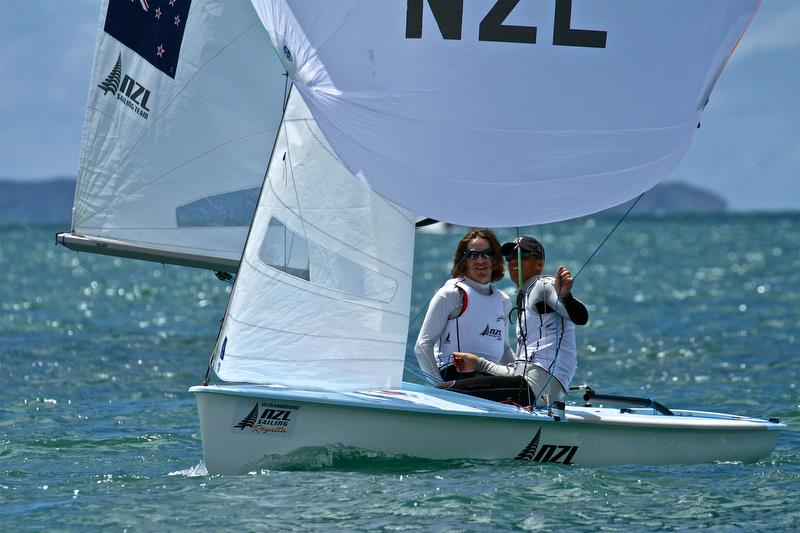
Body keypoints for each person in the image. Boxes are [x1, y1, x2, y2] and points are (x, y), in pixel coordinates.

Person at [444, 236, 588, 407]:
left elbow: (581, 317)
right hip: (527, 384)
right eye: (510, 257)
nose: (514, 261)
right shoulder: (525, 297)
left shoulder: (543, 286)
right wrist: (477, 363)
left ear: (539, 264)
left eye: (523, 255)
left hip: (540, 388)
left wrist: (566, 297)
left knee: (448, 392)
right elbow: (517, 372)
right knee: (455, 380)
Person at [414, 229, 514, 382]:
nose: (480, 260)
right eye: (473, 255)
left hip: (490, 379)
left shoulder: (503, 301)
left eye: (486, 254)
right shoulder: (452, 294)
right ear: (464, 261)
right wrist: (439, 387)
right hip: (455, 377)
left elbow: (505, 348)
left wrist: (522, 380)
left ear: (495, 259)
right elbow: (422, 346)